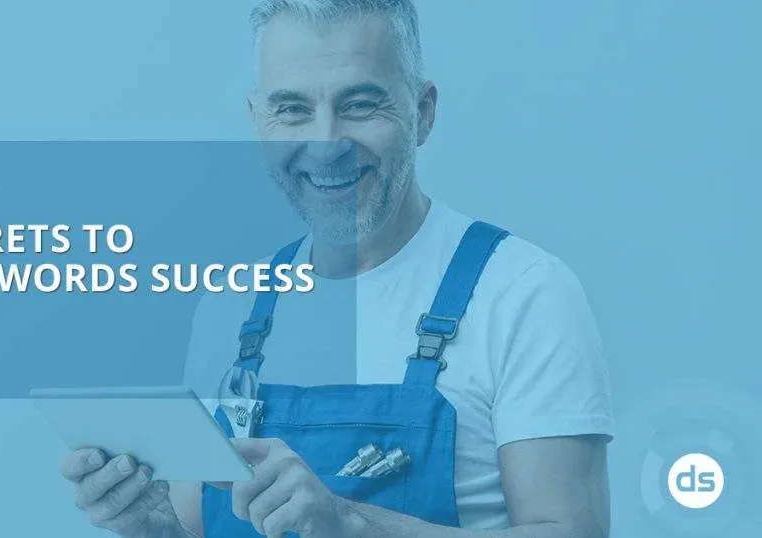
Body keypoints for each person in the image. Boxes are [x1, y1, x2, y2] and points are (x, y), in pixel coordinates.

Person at [61, 1, 613, 536]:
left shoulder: (522, 293)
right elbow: (199, 525)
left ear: (423, 113)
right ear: (258, 120)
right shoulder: (230, 309)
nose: (325, 145)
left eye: (359, 105)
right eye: (293, 110)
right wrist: (156, 529)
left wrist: (351, 525)